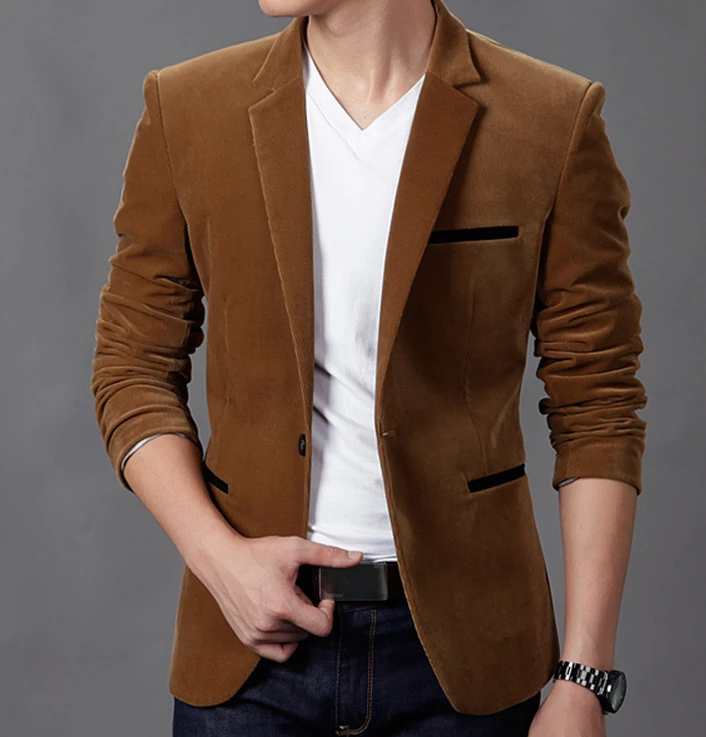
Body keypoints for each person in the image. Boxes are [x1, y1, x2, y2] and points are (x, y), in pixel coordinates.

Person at [90, 0, 648, 734]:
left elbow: (598, 402)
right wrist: (219, 561)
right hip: (249, 653)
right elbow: (131, 365)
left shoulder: (549, 119)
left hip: (468, 660)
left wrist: (584, 675)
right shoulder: (188, 107)